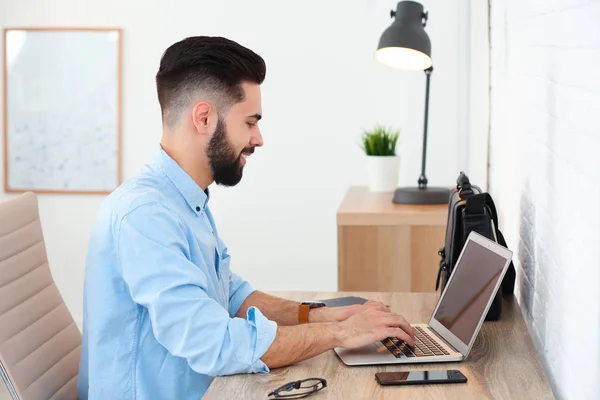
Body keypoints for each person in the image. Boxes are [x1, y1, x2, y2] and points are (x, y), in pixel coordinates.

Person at [77, 35, 415, 400]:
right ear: (204, 117)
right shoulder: (145, 216)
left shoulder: (183, 200)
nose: (258, 138)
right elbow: (214, 344)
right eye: (250, 122)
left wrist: (318, 316)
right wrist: (342, 334)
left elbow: (229, 295)